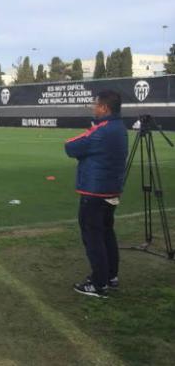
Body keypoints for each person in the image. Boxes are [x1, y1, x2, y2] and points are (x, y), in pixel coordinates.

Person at [65, 90, 128, 298]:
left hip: (95, 192)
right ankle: (111, 276)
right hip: (111, 189)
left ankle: (99, 283)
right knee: (107, 233)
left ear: (104, 108)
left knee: (93, 237)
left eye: (96, 105)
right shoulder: (120, 127)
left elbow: (71, 147)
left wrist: (91, 130)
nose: (94, 107)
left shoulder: (102, 130)